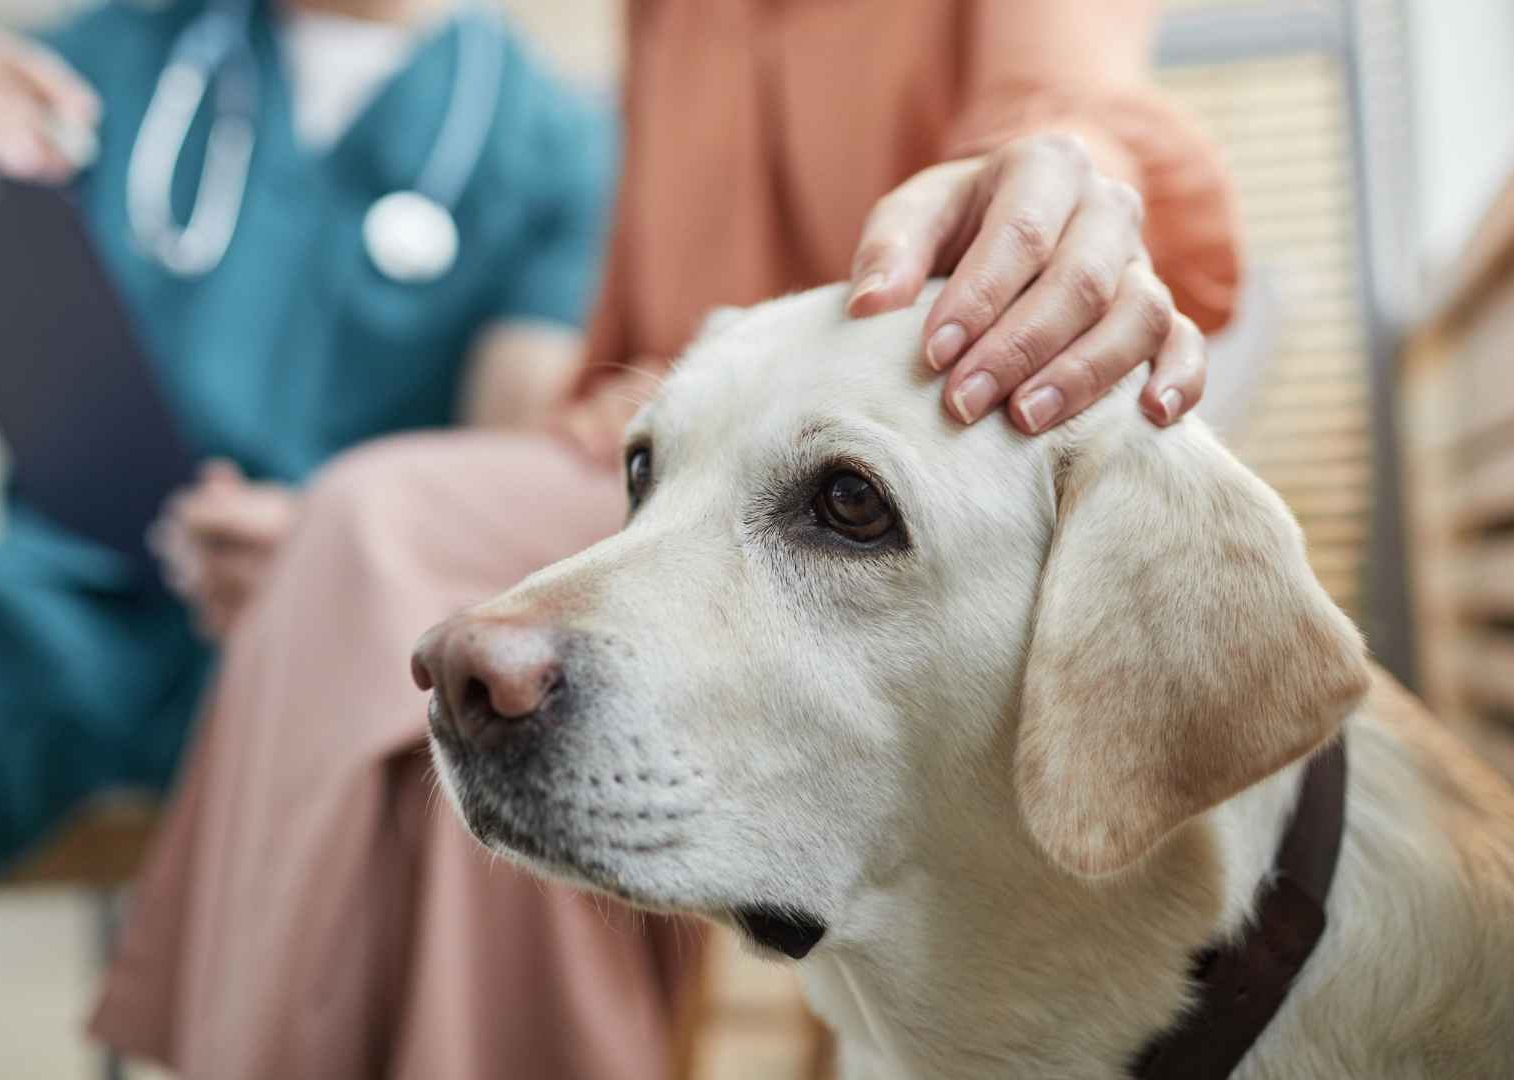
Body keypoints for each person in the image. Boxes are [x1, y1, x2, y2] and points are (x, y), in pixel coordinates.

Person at [90, 0, 1240, 1076]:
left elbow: (1069, 108)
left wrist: (1065, 184)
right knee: (408, 592)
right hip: (664, 476)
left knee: (378, 532)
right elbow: (623, 361)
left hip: (910, 505)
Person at [0, 2, 614, 1077]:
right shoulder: (116, 60)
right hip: (73, 605)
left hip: (345, 637)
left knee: (445, 787)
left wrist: (332, 539)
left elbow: (509, 430)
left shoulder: (550, 137)